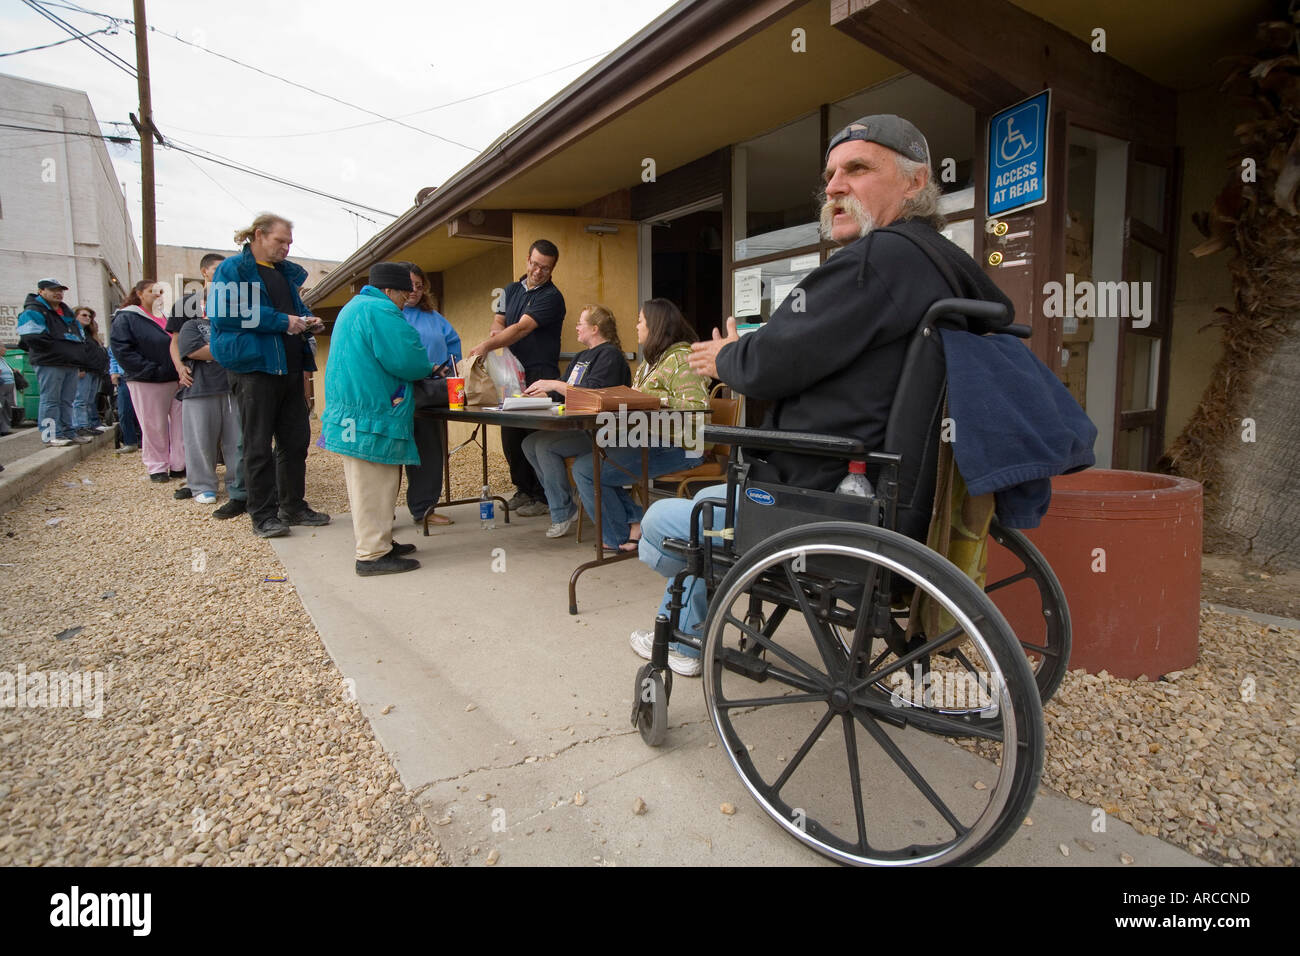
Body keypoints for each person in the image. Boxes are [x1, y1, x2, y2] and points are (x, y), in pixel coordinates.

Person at [631, 113, 974, 677]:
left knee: (665, 525)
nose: (835, 186)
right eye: (831, 173)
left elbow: (772, 363)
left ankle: (688, 640)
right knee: (702, 508)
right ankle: (693, 633)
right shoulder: (943, 266)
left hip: (823, 501)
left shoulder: (873, 262)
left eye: (857, 169)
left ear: (916, 182)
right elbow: (806, 350)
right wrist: (756, 352)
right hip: (890, 492)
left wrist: (726, 357)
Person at [208, 213, 329, 539]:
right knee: (257, 445)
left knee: (295, 441)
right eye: (281, 241)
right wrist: (282, 321)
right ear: (258, 235)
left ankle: (294, 506)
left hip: (288, 368)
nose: (287, 248)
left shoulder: (285, 276)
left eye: (289, 242)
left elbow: (288, 315)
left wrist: (305, 320)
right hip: (253, 370)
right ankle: (262, 515)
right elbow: (225, 314)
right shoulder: (232, 270)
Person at [321, 263, 434, 576]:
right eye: (403, 294)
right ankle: (371, 555)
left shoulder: (356, 307)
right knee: (373, 484)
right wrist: (426, 364)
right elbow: (409, 361)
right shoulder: (381, 311)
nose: (405, 301)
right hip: (370, 415)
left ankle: (381, 541)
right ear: (389, 291)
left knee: (375, 482)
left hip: (354, 412)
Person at [570, 298, 709, 553]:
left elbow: (698, 408)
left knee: (586, 470)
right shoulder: (651, 363)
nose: (636, 327)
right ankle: (638, 523)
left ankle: (621, 535)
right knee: (588, 465)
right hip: (651, 440)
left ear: (655, 326)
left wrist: (651, 400)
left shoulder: (683, 358)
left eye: (640, 321)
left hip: (682, 446)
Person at [466, 239, 565, 515]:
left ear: (552, 269)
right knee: (511, 435)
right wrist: (496, 332)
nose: (538, 271)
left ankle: (545, 498)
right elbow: (501, 319)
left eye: (545, 268)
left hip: (538, 375)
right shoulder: (509, 290)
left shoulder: (551, 297)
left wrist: (487, 346)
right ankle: (524, 490)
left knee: (536, 435)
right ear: (527, 260)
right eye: (535, 264)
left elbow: (522, 328)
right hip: (511, 377)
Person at [519, 304, 631, 537]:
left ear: (595, 328)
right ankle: (565, 498)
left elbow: (591, 392)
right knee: (529, 443)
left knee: (544, 446)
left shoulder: (610, 355)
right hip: (581, 427)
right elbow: (563, 391)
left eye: (581, 323)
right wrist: (537, 394)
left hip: (604, 431)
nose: (577, 327)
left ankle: (562, 511)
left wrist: (553, 384)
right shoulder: (581, 356)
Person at [399, 261, 461, 527]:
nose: (414, 291)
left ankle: (424, 507)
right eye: (410, 286)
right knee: (391, 454)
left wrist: (448, 371)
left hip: (431, 391)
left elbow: (454, 350)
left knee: (429, 451)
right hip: (398, 390)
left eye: (419, 286)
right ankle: (379, 510)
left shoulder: (435, 318)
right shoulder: (389, 314)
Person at [109, 280, 185, 482]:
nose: (158, 295)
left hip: (175, 378)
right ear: (139, 293)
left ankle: (179, 464)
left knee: (180, 424)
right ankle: (157, 466)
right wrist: (151, 369)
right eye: (153, 291)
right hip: (148, 379)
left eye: (161, 292)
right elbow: (122, 349)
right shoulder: (127, 317)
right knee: (154, 424)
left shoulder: (165, 317)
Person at [177, 295, 246, 510]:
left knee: (236, 440)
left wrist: (216, 350)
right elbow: (192, 349)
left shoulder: (236, 324)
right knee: (200, 440)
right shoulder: (191, 324)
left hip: (233, 389)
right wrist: (229, 351)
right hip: (199, 388)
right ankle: (202, 485)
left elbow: (245, 349)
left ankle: (238, 482)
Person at [16, 278, 87, 447]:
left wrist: (68, 347)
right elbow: (33, 337)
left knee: (67, 400)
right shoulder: (33, 311)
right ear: (41, 291)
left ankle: (68, 432)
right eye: (53, 289)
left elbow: (80, 337)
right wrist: (64, 345)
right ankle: (50, 435)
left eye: (61, 290)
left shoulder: (67, 313)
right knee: (50, 399)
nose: (58, 293)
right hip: (49, 362)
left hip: (69, 362)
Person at [168, 253, 226, 389]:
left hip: (227, 377)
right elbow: (175, 342)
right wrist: (180, 367)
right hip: (198, 380)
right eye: (217, 269)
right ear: (204, 271)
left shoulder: (232, 305)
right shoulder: (184, 304)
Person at [72, 307, 111, 436]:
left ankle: (87, 425)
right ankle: (80, 426)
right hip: (85, 370)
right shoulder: (75, 333)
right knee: (81, 400)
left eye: (89, 316)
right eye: (84, 315)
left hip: (95, 371)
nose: (87, 318)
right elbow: (75, 352)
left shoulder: (88, 334)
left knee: (89, 400)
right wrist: (80, 368)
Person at [107, 344, 140, 453]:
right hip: (123, 377)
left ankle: (147, 441)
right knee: (124, 411)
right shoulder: (118, 334)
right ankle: (130, 442)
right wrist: (113, 372)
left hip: (141, 375)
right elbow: (113, 355)